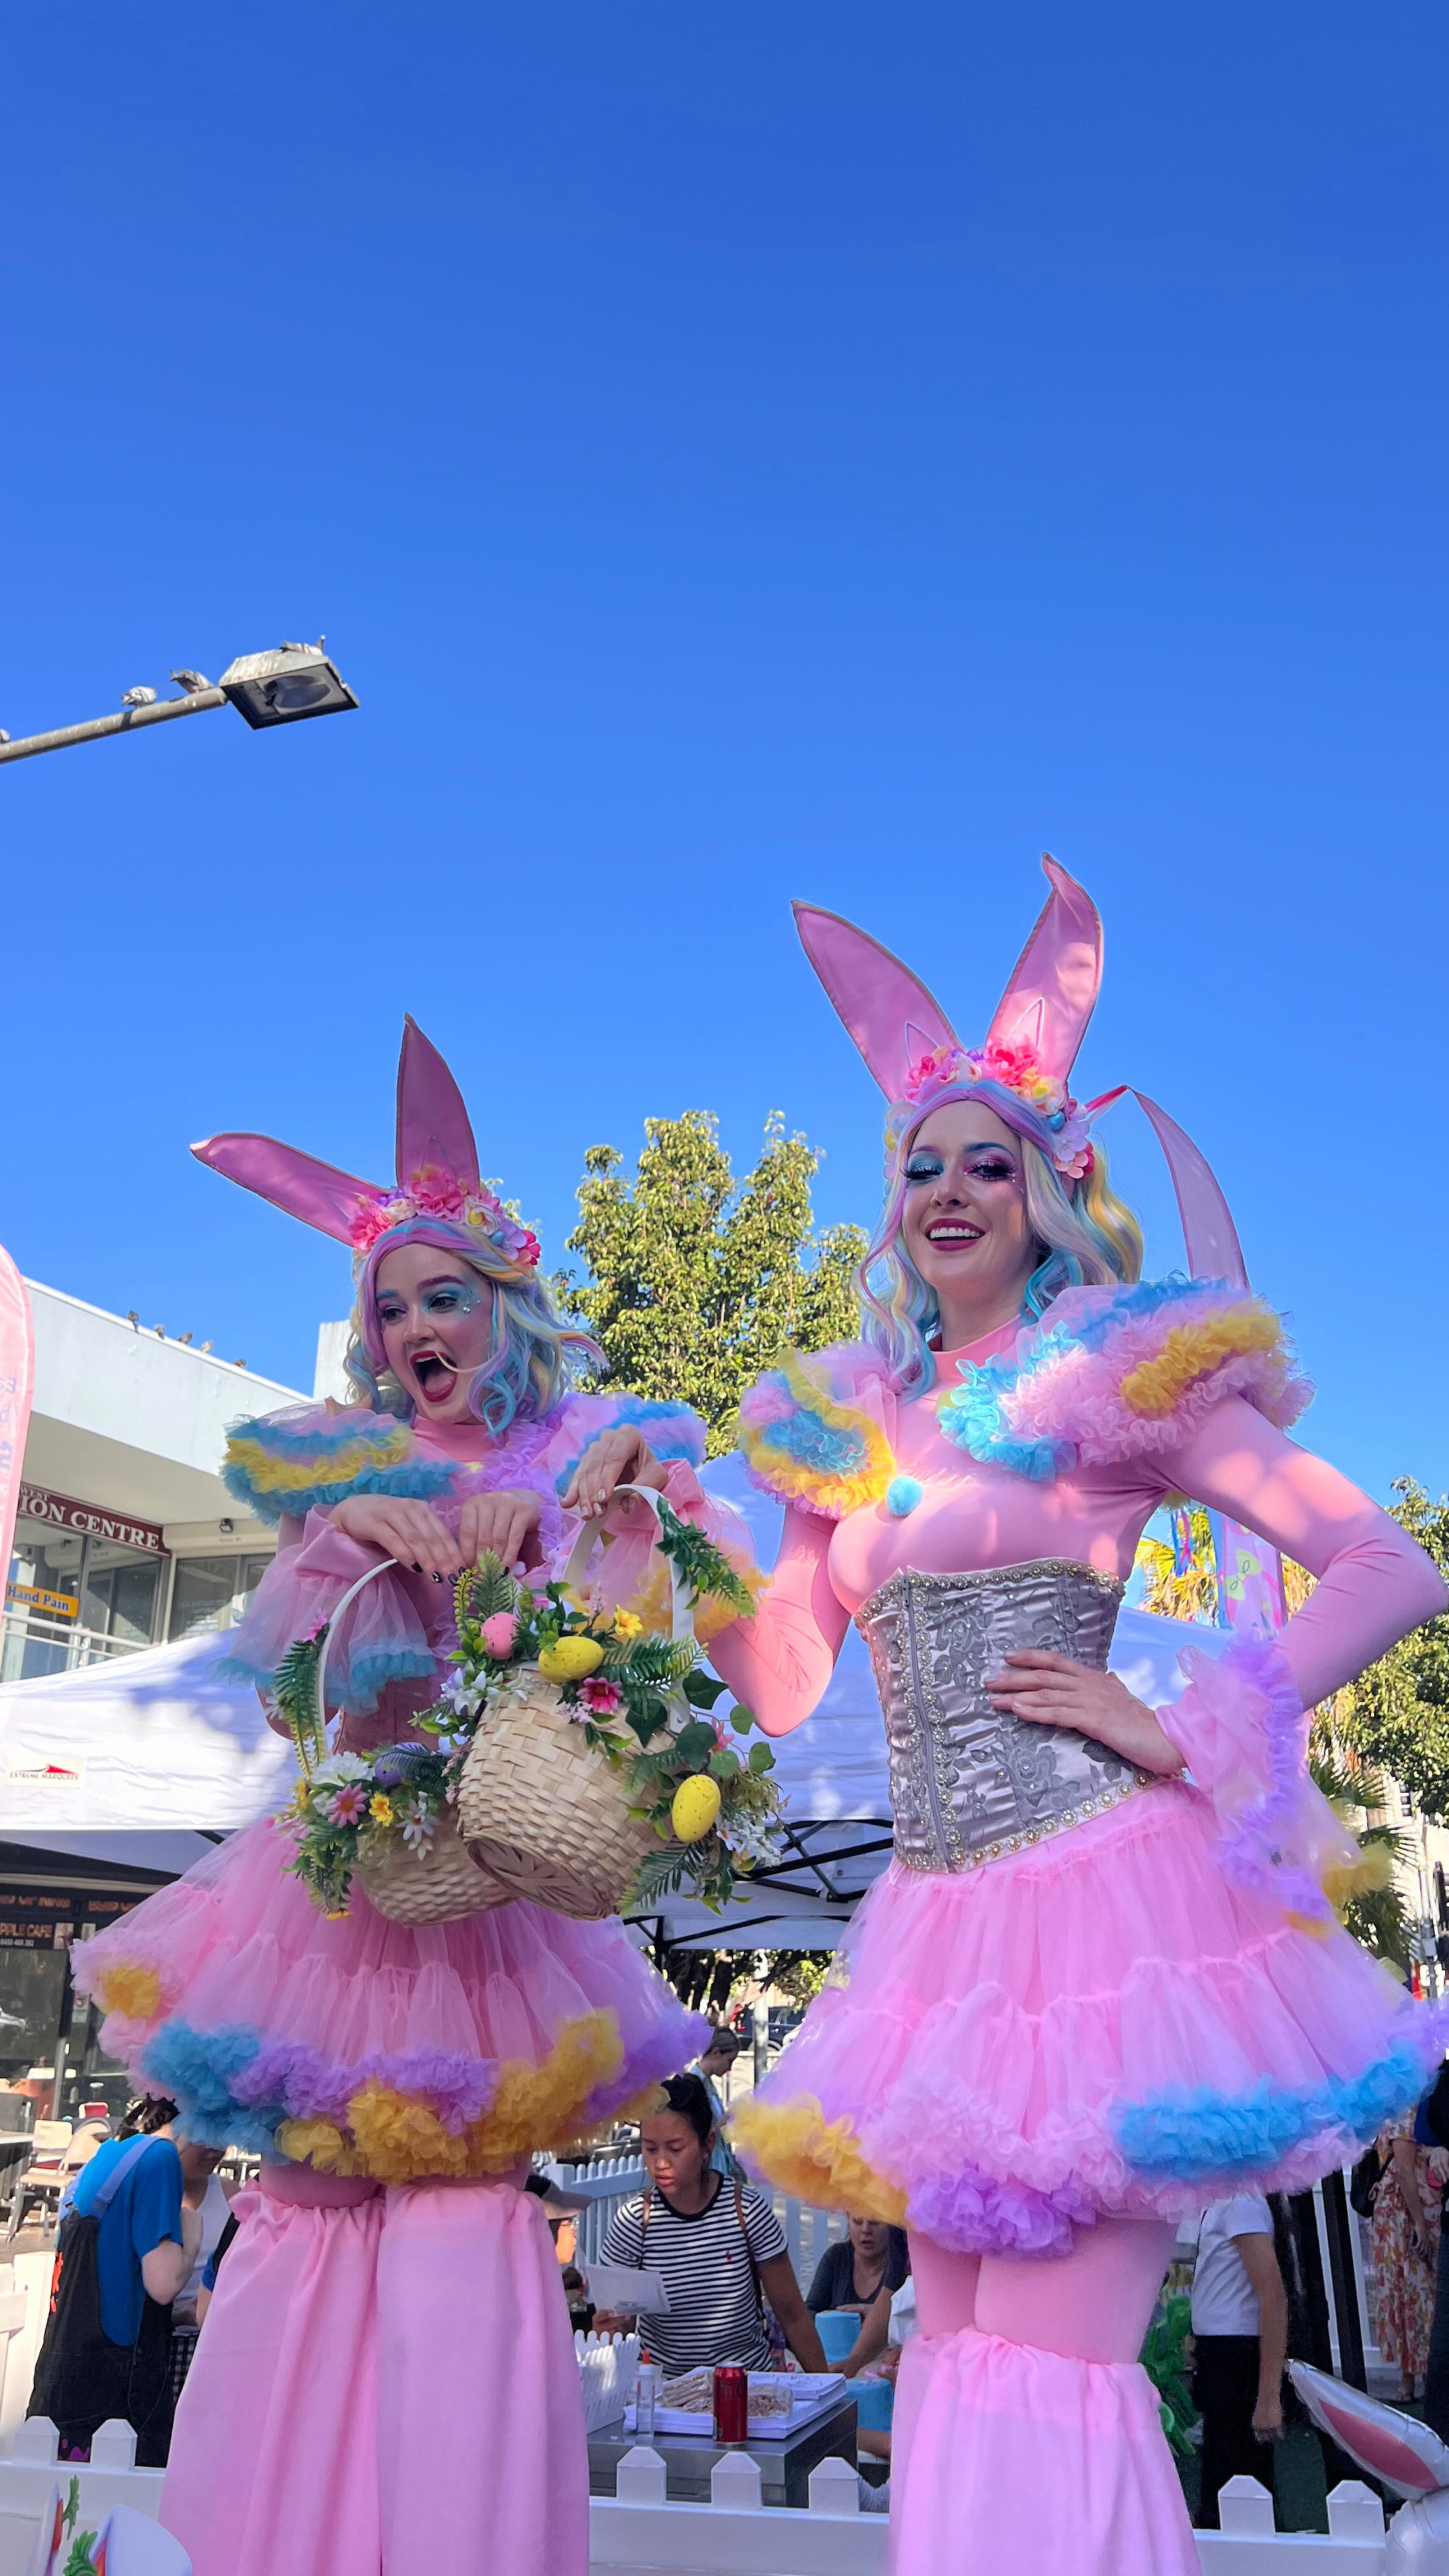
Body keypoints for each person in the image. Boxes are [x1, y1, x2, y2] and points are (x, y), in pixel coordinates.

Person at [571, 862, 1449, 2575]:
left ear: (1054, 1187)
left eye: (991, 1160)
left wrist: (1188, 1723)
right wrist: (651, 1541)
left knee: (1044, 2374)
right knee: (960, 2366)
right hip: (935, 1939)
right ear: (888, 1201)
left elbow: (1384, 1566)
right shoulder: (850, 1427)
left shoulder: (1118, 1380)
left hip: (1098, 1926)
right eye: (921, 1166)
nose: (950, 1190)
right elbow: (785, 1685)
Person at [70, 1022, 743, 2576]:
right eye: (389, 1307)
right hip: (349, 1893)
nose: (416, 1325)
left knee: (455, 2214)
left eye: (443, 1293)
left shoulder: (585, 1452)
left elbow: (649, 1640)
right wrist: (366, 1559)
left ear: (501, 1305)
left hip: (491, 1910)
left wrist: (564, 1541)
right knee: (306, 2210)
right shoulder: (345, 1473)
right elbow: (312, 1708)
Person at [594, 2073, 828, 2376]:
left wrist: (827, 2393)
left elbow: (792, 2314)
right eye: (650, 2149)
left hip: (746, 2387)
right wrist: (609, 2328)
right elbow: (619, 2327)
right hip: (665, 2396)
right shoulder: (633, 2223)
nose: (661, 2162)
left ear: (708, 2145)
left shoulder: (746, 2210)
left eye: (675, 2148)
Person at [28, 2097, 218, 2466]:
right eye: (215, 2126)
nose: (220, 2144)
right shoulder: (160, 2157)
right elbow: (163, 2285)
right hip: (118, 2382)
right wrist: (192, 2233)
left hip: (65, 2367)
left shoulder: (111, 2153)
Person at [1190, 2192, 1288, 2527]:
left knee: (1238, 2482)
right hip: (1219, 2350)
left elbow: (1272, 2295)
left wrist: (1269, 2398)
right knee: (1221, 2472)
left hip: (1236, 2354)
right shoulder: (1220, 2200)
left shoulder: (1240, 2201)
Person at [1370, 2113, 1445, 2402]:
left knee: (1407, 2292)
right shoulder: (1408, 2112)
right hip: (1409, 2214)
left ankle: (1410, 2378)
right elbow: (1404, 2170)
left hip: (1399, 2214)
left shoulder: (1393, 2111)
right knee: (1417, 2290)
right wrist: (1420, 2225)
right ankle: (1421, 2376)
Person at [694, 2027, 745, 2179]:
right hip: (708, 2171)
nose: (730, 2068)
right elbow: (694, 2135)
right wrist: (723, 2121)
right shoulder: (695, 2085)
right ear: (716, 2053)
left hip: (720, 2169)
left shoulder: (709, 2084)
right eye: (729, 2061)